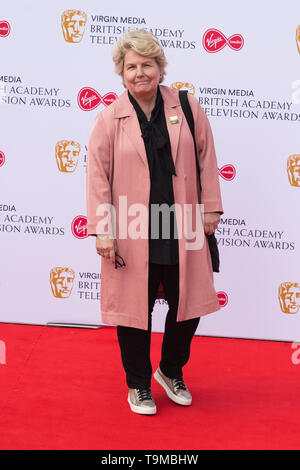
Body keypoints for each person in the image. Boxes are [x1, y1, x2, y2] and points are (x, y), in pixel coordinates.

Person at [86, 29, 223, 415]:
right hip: (132, 228)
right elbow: (97, 176)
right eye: (131, 66)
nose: (139, 73)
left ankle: (170, 369)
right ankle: (139, 385)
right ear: (121, 72)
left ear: (160, 69)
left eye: (147, 64)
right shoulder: (110, 118)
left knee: (189, 303)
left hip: (183, 222)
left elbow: (207, 158)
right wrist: (103, 228)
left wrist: (211, 206)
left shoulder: (187, 107)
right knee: (134, 310)